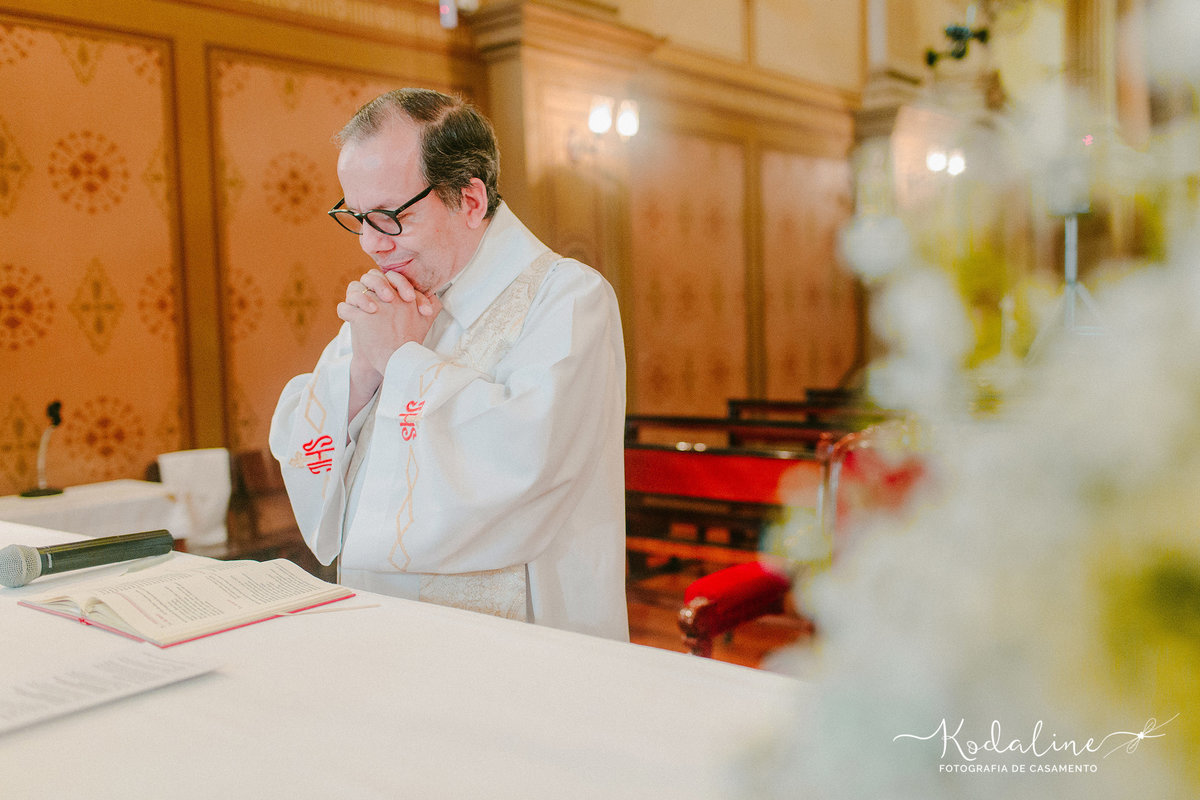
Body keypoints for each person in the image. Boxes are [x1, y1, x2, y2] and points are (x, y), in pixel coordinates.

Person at [269, 88, 628, 641]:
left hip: (523, 640)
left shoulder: (569, 299)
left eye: (389, 217)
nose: (370, 243)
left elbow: (526, 462)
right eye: (357, 216)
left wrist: (399, 360)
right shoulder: (393, 297)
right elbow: (306, 443)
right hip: (383, 622)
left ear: (470, 199)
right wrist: (363, 373)